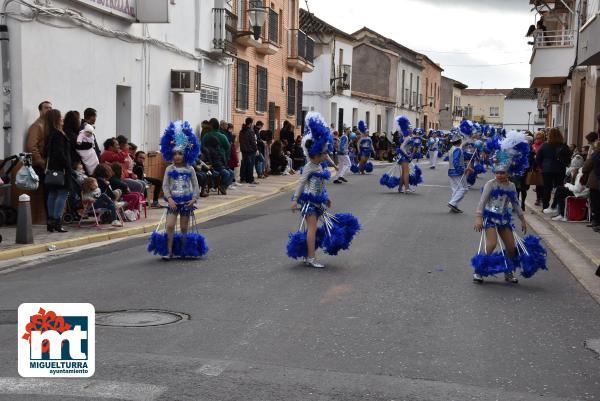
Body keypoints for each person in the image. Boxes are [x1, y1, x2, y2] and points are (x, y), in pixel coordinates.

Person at [472, 131, 546, 283]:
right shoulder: (490, 184)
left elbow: (516, 204)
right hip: (490, 218)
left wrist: (523, 220)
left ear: (508, 173)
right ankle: (479, 270)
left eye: (503, 173)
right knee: (491, 244)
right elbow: (482, 202)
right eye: (498, 172)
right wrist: (479, 218)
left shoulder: (512, 186)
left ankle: (508, 271)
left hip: (504, 219)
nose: (500, 175)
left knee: (512, 247)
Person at [288, 113, 360, 268]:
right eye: (323, 153)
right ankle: (311, 258)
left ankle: (309, 256)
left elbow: (321, 185)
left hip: (318, 202)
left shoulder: (319, 166)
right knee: (312, 230)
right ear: (316, 154)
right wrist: (294, 200)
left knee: (313, 230)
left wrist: (325, 197)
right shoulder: (309, 167)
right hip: (309, 203)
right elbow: (301, 184)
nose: (326, 155)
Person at [150, 121, 206, 260]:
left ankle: (182, 249)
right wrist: (169, 199)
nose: (177, 156)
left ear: (186, 154)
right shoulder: (169, 169)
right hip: (173, 202)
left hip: (187, 202)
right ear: (170, 154)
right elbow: (165, 186)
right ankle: (168, 251)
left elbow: (195, 185)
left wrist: (193, 199)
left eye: (180, 153)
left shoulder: (190, 168)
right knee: (169, 226)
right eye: (175, 153)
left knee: (184, 228)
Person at [44, 109, 71, 233]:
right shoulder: (59, 135)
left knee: (53, 193)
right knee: (62, 194)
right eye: (60, 117)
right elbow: (60, 153)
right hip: (62, 169)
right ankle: (56, 221)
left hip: (52, 169)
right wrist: (67, 165)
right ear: (56, 119)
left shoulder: (50, 134)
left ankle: (50, 222)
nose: (62, 119)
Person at [536, 127, 571, 214]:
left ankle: (545, 207)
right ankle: (556, 206)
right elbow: (568, 159)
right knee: (559, 188)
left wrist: (541, 166)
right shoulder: (564, 146)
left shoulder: (544, 146)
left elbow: (538, 158)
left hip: (547, 169)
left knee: (547, 188)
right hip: (560, 169)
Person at [447, 131, 473, 213]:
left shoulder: (451, 149)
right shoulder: (457, 150)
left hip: (451, 171)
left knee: (456, 189)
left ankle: (454, 206)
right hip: (457, 171)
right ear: (460, 141)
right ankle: (452, 203)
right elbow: (456, 161)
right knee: (464, 188)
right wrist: (462, 170)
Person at [583, 140, 600, 231]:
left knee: (595, 202)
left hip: (595, 182)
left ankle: (596, 221)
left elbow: (585, 168)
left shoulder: (595, 154)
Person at [239, 117, 258, 184]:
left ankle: (243, 178)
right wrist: (256, 149)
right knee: (250, 165)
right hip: (250, 151)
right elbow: (253, 142)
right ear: (250, 123)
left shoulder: (242, 131)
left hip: (244, 150)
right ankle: (250, 179)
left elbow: (240, 141)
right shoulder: (250, 131)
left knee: (244, 164)